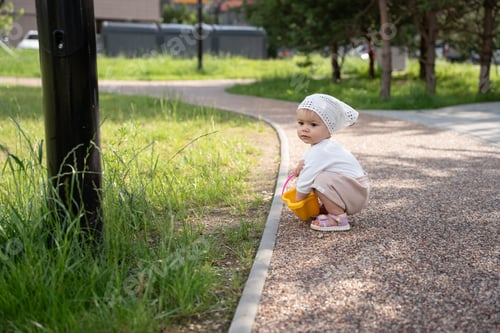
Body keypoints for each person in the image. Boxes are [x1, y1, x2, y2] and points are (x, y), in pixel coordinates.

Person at [294, 93, 370, 231]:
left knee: (320, 180)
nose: (304, 128)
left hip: (355, 191)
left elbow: (306, 179)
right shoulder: (324, 146)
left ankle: (338, 219)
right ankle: (333, 207)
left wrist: (298, 199)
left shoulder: (322, 150)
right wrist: (302, 164)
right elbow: (311, 162)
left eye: (313, 124)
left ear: (329, 129)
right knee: (320, 177)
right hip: (356, 189)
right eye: (301, 123)